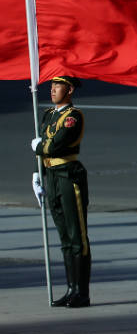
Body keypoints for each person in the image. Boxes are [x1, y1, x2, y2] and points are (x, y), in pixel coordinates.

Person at [30, 76, 92, 308]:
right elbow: (41, 149)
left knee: (77, 237)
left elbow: (56, 144)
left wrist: (40, 147)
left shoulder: (73, 116)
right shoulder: (49, 114)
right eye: (52, 85)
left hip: (68, 175)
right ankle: (70, 289)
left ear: (70, 89)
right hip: (53, 176)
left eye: (58, 85)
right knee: (65, 238)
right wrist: (37, 174)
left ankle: (82, 292)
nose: (53, 89)